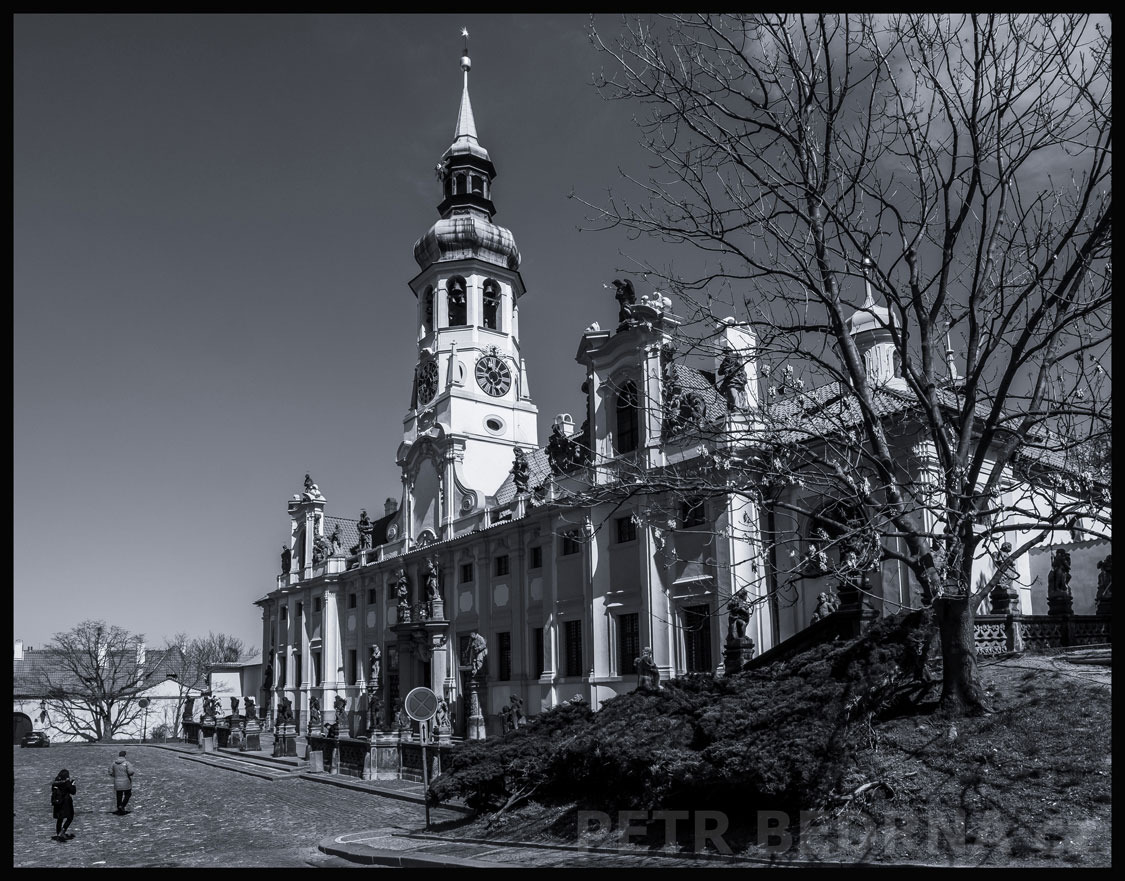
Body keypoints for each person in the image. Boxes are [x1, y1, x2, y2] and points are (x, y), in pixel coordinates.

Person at [51, 769, 76, 841]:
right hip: (66, 803)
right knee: (70, 817)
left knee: (60, 819)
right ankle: (62, 831)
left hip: (58, 803)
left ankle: (58, 833)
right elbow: (73, 792)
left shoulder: (55, 783)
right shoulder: (67, 783)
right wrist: (73, 785)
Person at [108, 750, 135, 814]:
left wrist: (116, 776)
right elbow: (131, 772)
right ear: (125, 755)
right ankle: (122, 806)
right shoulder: (127, 763)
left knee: (119, 795)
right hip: (126, 781)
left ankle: (119, 808)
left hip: (117, 781)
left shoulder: (114, 763)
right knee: (128, 794)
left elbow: (110, 771)